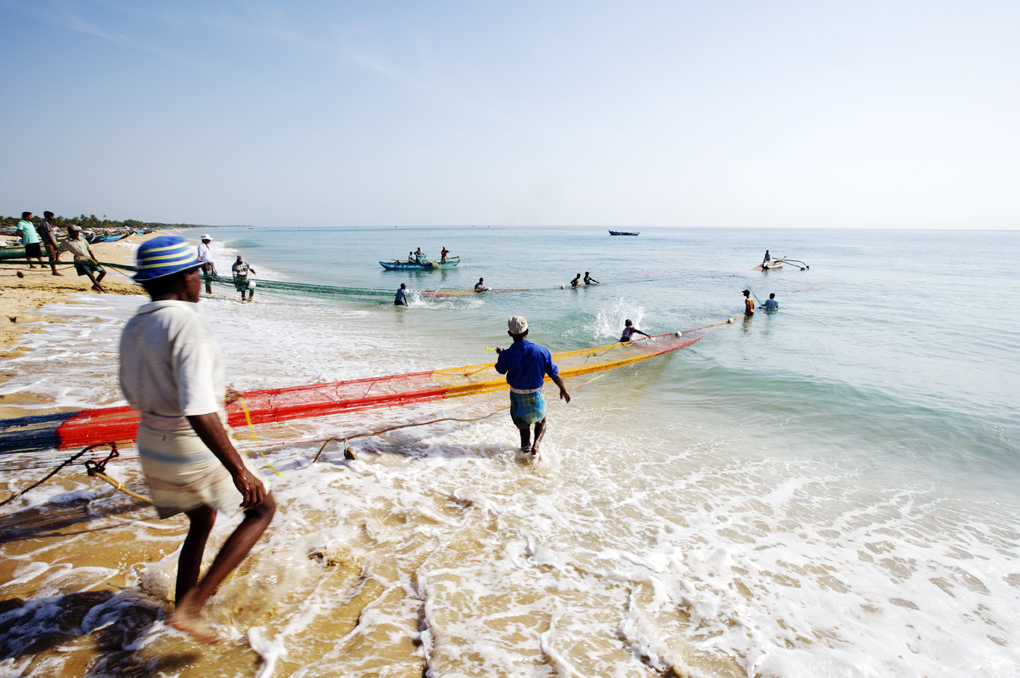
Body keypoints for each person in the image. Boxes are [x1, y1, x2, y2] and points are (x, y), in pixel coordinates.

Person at [120, 236, 275, 644]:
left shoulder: (139, 320)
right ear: (182, 277)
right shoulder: (185, 321)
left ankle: (181, 606)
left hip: (152, 439)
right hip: (189, 440)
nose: (201, 278)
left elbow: (142, 388)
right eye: (197, 271)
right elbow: (194, 407)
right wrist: (238, 469)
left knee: (202, 520)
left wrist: (216, 392)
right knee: (261, 510)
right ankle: (192, 608)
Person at [494, 316, 570, 456]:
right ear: (527, 330)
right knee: (541, 420)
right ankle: (537, 444)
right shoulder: (541, 351)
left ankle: (525, 451)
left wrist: (502, 355)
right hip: (536, 394)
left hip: (517, 395)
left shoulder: (506, 354)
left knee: (523, 427)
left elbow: (500, 370)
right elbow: (554, 374)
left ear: (510, 334)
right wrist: (563, 389)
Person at [56, 225, 107, 292]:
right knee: (91, 275)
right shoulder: (66, 241)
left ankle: (95, 286)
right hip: (79, 260)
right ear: (70, 232)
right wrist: (57, 259)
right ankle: (102, 290)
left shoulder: (82, 239)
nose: (77, 233)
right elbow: (59, 251)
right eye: (75, 232)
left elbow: (89, 249)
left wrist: (94, 258)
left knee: (103, 272)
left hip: (89, 258)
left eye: (78, 232)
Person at [37, 211, 62, 276]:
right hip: (49, 242)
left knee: (53, 256)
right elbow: (49, 234)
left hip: (50, 241)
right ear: (47, 216)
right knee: (52, 257)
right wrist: (54, 244)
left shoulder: (46, 223)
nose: (52, 218)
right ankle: (54, 271)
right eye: (51, 216)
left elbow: (38, 229)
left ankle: (54, 271)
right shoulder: (46, 223)